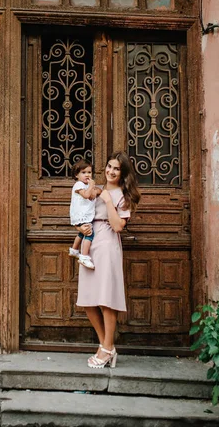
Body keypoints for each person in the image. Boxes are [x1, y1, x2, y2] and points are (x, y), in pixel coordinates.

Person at [76, 151, 141, 369]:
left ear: (122, 173)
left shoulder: (123, 195)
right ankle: (107, 346)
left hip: (107, 243)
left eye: (116, 169)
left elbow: (118, 226)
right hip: (90, 241)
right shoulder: (94, 190)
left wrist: (108, 201)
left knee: (106, 299)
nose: (110, 171)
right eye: (109, 166)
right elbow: (79, 211)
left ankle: (106, 348)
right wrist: (79, 227)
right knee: (87, 299)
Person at [69, 159, 101, 270]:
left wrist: (97, 190)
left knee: (82, 234)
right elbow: (87, 195)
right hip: (81, 215)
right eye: (83, 172)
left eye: (89, 172)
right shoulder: (78, 185)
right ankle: (84, 256)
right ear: (76, 175)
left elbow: (92, 196)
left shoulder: (85, 185)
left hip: (83, 215)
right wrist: (92, 186)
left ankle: (74, 250)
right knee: (89, 234)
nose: (87, 175)